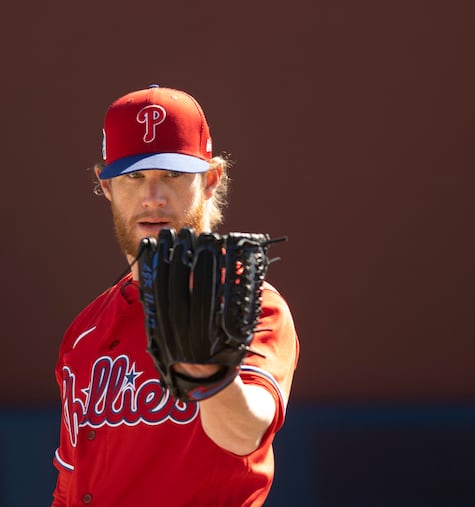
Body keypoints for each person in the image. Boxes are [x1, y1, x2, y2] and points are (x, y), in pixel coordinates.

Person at [51, 85, 299, 506]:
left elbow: (247, 431)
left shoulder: (247, 301)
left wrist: (210, 379)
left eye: (173, 174)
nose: (153, 196)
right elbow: (71, 486)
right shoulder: (84, 333)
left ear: (210, 180)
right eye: (134, 176)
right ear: (106, 185)